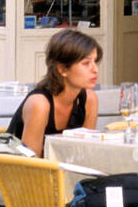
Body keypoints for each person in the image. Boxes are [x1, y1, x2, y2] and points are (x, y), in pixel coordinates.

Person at [7, 29, 100, 157]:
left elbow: (86, 153)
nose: (95, 69)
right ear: (62, 69)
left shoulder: (89, 99)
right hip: (20, 174)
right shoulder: (40, 104)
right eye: (86, 63)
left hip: (64, 173)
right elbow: (29, 165)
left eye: (95, 61)